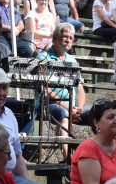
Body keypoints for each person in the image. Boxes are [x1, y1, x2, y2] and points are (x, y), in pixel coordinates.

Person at [36, 23, 89, 157]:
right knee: (63, 113)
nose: (68, 40)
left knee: (99, 113)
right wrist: (69, 108)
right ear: (54, 38)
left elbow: (80, 88)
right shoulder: (43, 58)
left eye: (71, 38)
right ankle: (68, 160)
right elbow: (44, 90)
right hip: (48, 105)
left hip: (72, 106)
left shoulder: (72, 60)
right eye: (65, 37)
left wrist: (79, 109)